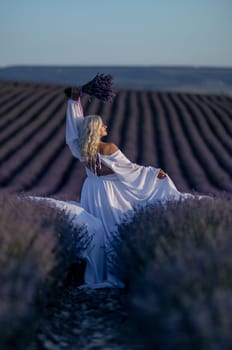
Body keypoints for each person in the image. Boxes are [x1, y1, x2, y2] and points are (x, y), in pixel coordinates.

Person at [65, 87, 199, 288]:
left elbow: (74, 127)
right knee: (114, 229)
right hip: (110, 193)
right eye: (102, 125)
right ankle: (115, 272)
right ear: (95, 130)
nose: (106, 127)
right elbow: (130, 170)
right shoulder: (108, 148)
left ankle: (95, 274)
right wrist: (155, 173)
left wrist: (74, 102)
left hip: (91, 190)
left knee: (96, 231)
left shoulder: (80, 146)